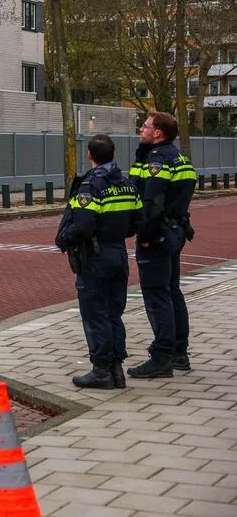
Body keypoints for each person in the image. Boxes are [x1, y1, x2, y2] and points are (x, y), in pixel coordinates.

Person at [55, 134, 142, 389]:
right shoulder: (127, 184)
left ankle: (101, 371)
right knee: (114, 313)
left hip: (95, 257)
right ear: (113, 154)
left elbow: (82, 225)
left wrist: (64, 239)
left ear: (89, 155)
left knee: (95, 314)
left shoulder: (90, 185)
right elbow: (137, 220)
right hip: (118, 254)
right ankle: (116, 370)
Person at [128, 111, 197, 378]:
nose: (141, 131)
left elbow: (151, 204)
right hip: (175, 232)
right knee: (172, 291)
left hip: (156, 235)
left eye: (144, 127)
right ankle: (180, 352)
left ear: (158, 133)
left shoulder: (157, 161)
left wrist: (143, 235)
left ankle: (161, 357)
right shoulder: (180, 159)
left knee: (157, 295)